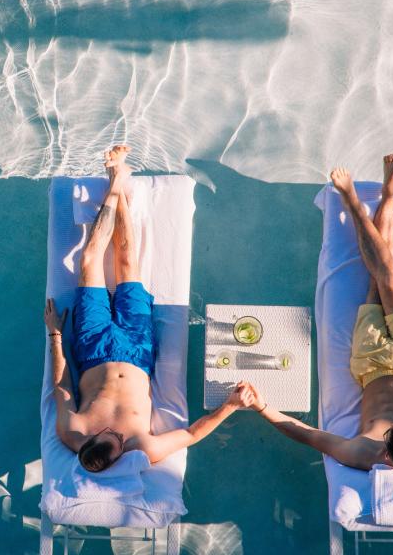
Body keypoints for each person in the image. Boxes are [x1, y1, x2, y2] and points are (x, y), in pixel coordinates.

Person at [240, 154, 393, 470]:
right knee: (389, 278)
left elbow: (310, 435)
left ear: (387, 455)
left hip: (372, 361)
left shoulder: (364, 453)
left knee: (378, 279)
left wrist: (261, 407)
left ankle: (377, 201)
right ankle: (356, 202)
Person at [44, 145, 251, 472]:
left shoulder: (74, 432)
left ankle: (115, 184)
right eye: (117, 441)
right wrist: (231, 405)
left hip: (92, 346)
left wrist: (55, 333)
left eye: (108, 434)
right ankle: (118, 182)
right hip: (137, 348)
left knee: (88, 261)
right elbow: (190, 434)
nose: (115, 433)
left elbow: (61, 385)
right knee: (127, 263)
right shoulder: (140, 446)